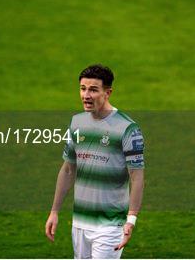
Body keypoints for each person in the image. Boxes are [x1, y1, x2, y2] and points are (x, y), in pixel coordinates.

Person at [45, 64, 145, 259]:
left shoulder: (127, 128)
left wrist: (131, 219)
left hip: (110, 224)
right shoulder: (76, 123)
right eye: (83, 89)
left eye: (93, 90)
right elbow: (67, 170)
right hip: (80, 222)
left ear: (108, 92)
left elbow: (137, 177)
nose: (86, 95)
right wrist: (54, 211)